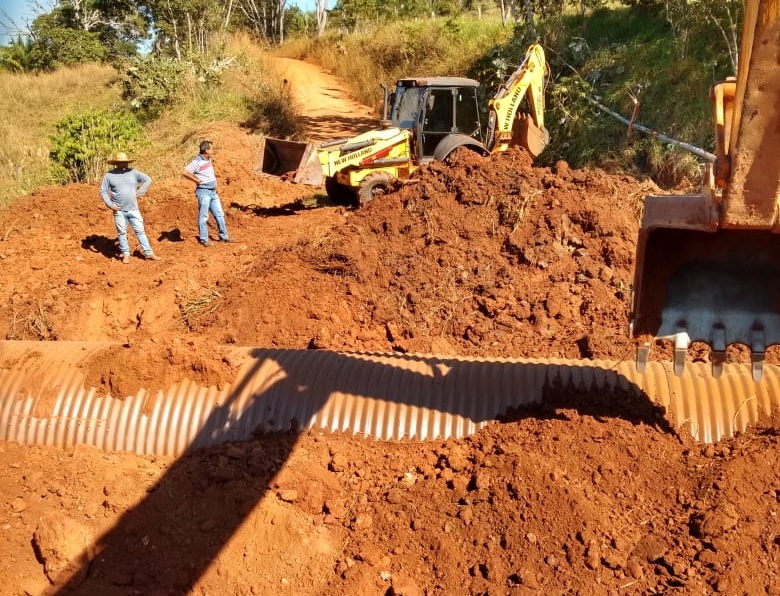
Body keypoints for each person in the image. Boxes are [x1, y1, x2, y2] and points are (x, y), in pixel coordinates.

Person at [99, 152, 161, 264]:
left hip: (133, 209)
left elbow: (148, 180)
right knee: (122, 233)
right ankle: (126, 254)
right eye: (122, 163)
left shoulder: (134, 173)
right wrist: (111, 205)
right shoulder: (109, 175)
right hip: (119, 210)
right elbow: (103, 191)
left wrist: (139, 192)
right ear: (117, 163)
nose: (124, 164)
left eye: (126, 162)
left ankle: (149, 253)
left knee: (140, 231)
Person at [182, 140, 235, 247]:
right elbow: (185, 172)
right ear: (206, 150)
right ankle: (204, 239)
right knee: (204, 216)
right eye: (211, 148)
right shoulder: (197, 161)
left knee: (219, 214)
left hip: (213, 192)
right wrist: (196, 180)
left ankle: (224, 236)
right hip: (203, 192)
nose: (212, 150)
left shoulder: (209, 159)